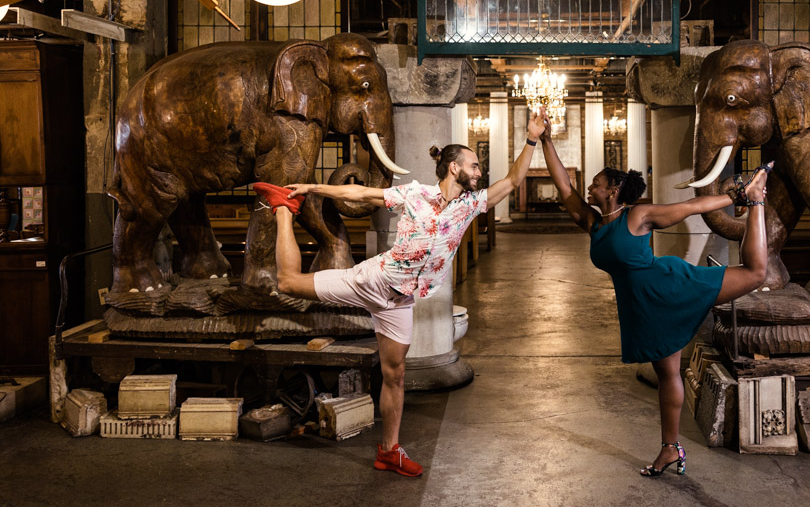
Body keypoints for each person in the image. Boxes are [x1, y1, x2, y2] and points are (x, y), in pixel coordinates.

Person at [254, 111, 546, 477]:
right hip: (373, 280)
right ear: (453, 167)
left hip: (400, 302)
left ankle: (389, 452)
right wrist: (313, 189)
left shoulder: (470, 206)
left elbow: (514, 179)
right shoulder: (415, 194)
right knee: (288, 283)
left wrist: (532, 137)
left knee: (396, 374)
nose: (478, 170)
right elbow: (360, 192)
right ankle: (283, 208)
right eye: (473, 164)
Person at [538, 113, 769, 478]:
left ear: (612, 190)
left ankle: (757, 202)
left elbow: (690, 207)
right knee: (667, 373)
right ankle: (670, 449)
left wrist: (736, 195)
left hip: (669, 288)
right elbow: (564, 186)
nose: (588, 189)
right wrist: (546, 139)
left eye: (595, 184)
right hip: (641, 307)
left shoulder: (639, 215)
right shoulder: (594, 224)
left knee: (756, 273)